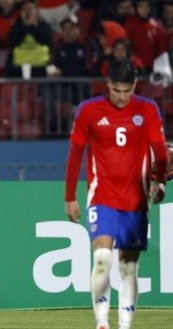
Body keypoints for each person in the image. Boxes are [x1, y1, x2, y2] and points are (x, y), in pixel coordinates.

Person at [64, 59, 169, 329]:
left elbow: (159, 148)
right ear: (108, 84)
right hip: (102, 196)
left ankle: (125, 324)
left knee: (128, 268)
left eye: (127, 91)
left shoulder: (147, 109)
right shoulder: (89, 110)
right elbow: (76, 153)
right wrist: (69, 196)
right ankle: (101, 322)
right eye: (117, 90)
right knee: (102, 259)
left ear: (134, 85)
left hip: (136, 201)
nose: (122, 97)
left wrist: (159, 181)